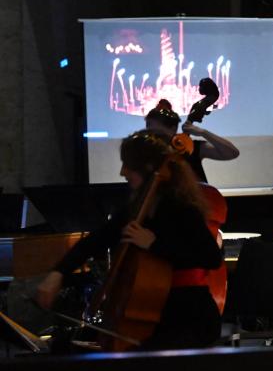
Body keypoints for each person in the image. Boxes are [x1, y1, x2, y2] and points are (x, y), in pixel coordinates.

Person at [35, 130, 224, 350]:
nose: (122, 171)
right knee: (68, 346)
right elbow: (97, 240)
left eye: (128, 165)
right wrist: (57, 274)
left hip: (189, 316)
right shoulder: (138, 208)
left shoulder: (181, 207)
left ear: (148, 167)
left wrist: (154, 245)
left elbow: (211, 257)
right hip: (154, 312)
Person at [145, 99, 239, 183]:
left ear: (173, 129)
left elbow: (232, 152)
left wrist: (203, 133)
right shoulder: (144, 151)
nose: (152, 136)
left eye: (158, 133)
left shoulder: (191, 148)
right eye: (148, 129)